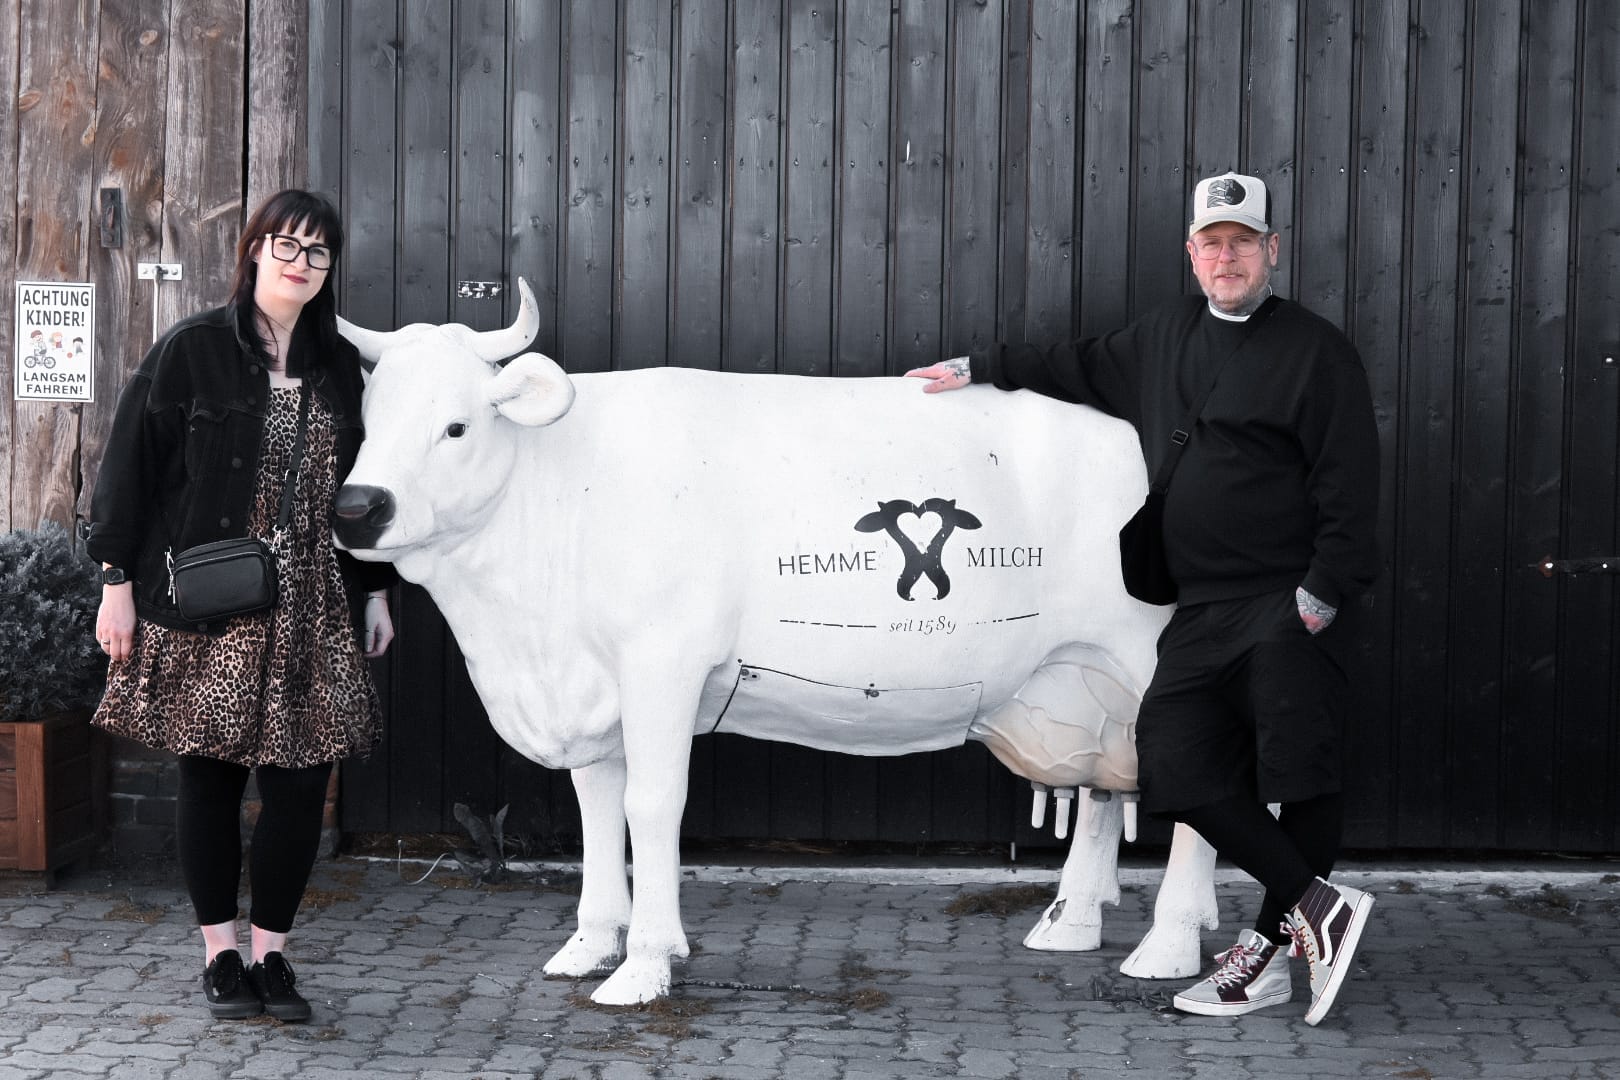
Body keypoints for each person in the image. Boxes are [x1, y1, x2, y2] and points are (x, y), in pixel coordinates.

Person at [907, 172, 1381, 1025]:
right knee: (1173, 762)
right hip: (1198, 608)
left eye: (1243, 241)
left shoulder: (1318, 352)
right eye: (1212, 243)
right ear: (1192, 255)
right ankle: (1318, 907)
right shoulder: (1165, 336)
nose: (1226, 256)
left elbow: (1352, 485)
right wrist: (976, 366)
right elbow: (1073, 363)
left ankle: (1268, 953)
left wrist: (1323, 592)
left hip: (1286, 600)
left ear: (1272, 250)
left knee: (1299, 776)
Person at [87, 189, 396, 1023]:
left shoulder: (336, 366)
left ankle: (274, 958)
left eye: (318, 253)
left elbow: (361, 495)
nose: (301, 263)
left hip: (315, 607)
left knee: (300, 787)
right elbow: (126, 470)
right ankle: (221, 957)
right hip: (212, 601)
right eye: (286, 246)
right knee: (211, 780)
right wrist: (116, 580)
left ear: (330, 270)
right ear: (255, 250)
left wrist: (374, 591)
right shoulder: (192, 349)